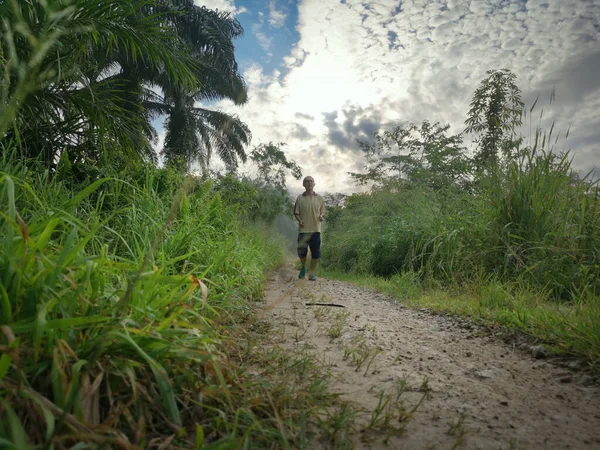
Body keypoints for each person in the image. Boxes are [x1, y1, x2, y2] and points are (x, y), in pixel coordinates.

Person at [293, 176, 325, 281]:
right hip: (303, 230)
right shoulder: (300, 198)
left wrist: (321, 216)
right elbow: (296, 212)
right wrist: (299, 220)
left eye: (311, 181)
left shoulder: (319, 198)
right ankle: (303, 267)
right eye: (306, 181)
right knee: (301, 252)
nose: (309, 183)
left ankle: (311, 273)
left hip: (316, 230)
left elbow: (322, 211)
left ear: (314, 184)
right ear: (303, 184)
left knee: (316, 253)